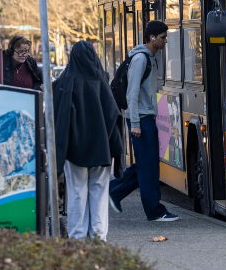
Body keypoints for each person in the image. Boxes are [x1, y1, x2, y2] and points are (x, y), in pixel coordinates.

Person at [108, 21, 179, 222]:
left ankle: (114, 191)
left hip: (145, 116)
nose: (165, 41)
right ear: (152, 38)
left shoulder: (149, 57)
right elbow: (132, 92)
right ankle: (155, 211)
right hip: (140, 118)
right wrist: (136, 122)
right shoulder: (141, 58)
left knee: (145, 163)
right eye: (163, 37)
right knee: (148, 167)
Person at [52, 40, 124, 240]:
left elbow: (57, 121)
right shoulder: (102, 83)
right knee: (100, 191)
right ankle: (98, 236)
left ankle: (77, 236)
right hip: (102, 150)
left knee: (76, 192)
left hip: (74, 151)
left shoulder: (63, 84)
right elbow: (114, 117)